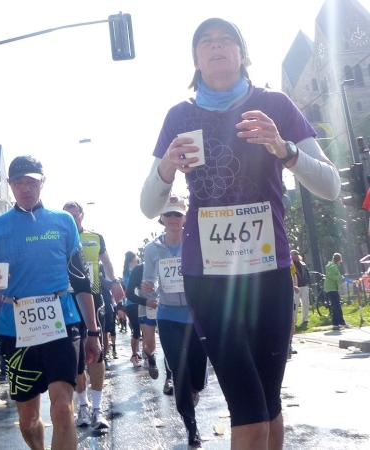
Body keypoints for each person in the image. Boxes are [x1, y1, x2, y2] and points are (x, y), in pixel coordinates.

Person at [140, 18, 340, 449]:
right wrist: (166, 167)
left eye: (226, 40)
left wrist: (284, 149)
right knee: (249, 410)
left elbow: (331, 186)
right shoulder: (180, 116)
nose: (216, 47)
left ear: (242, 53)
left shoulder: (274, 105)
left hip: (269, 271)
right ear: (196, 58)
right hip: (209, 277)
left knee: (268, 403)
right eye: (206, 42)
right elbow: (149, 206)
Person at [0, 155, 100, 450]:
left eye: (31, 182)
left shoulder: (63, 221)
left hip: (62, 322)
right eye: (18, 182)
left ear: (43, 182)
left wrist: (93, 331)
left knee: (63, 408)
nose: (25, 188)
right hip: (15, 329)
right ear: (9, 185)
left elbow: (81, 280)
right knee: (28, 420)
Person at [141, 195, 208, 447]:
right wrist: (148, 288)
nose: (172, 218)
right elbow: (149, 284)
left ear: (184, 217)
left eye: (177, 214)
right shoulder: (152, 249)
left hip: (195, 316)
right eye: (168, 214)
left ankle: (195, 389)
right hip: (168, 315)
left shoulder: (195, 243)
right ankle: (191, 426)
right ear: (161, 217)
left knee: (197, 373)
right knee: (179, 370)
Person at [63, 201, 124, 430]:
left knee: (97, 354)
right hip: (69, 301)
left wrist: (115, 281)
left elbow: (106, 262)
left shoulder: (95, 237)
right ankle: (83, 406)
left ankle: (98, 409)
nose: (72, 219)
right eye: (67, 216)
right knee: (77, 359)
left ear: (82, 215)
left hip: (94, 299)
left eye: (75, 215)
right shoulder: (58, 238)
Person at [122, 251, 143, 367]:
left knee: (145, 329)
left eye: (136, 261)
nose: (135, 263)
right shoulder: (127, 273)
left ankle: (146, 354)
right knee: (136, 330)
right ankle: (134, 355)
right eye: (133, 261)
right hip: (131, 304)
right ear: (129, 262)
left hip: (141, 303)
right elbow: (130, 288)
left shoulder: (140, 270)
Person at [324, 253, 350, 330]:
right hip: (332, 288)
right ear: (340, 259)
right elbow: (331, 275)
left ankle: (335, 323)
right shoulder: (334, 266)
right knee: (337, 305)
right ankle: (341, 321)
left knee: (335, 305)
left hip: (331, 287)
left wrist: (341, 278)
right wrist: (339, 277)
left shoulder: (332, 265)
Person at [291, 250, 311, 326]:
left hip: (304, 286)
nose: (297, 255)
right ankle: (294, 320)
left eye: (297, 254)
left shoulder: (303, 264)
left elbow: (308, 273)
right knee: (295, 304)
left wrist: (308, 282)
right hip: (296, 287)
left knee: (305, 303)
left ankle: (305, 319)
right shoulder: (290, 265)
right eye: (295, 254)